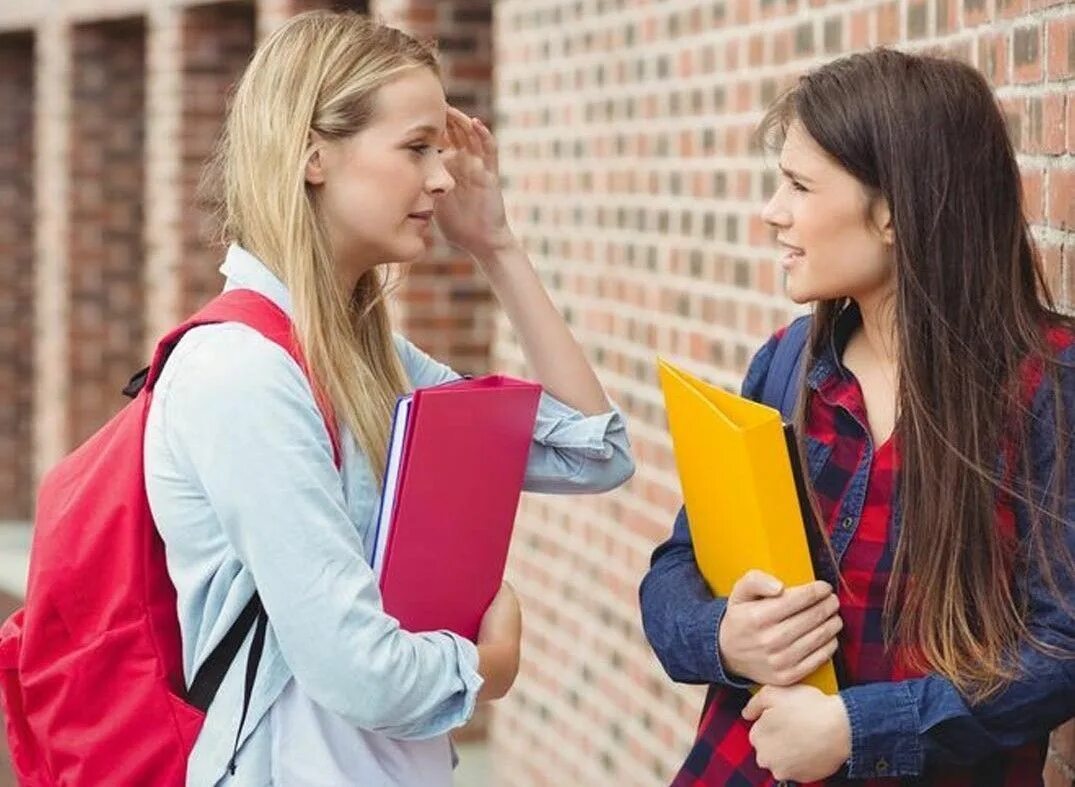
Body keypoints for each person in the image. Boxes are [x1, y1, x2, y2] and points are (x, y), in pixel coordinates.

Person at [144, 10, 634, 785]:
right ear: (312, 157)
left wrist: (496, 249)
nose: (442, 177)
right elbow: (357, 670)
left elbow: (592, 452)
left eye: (440, 150)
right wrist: (487, 663)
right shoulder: (243, 372)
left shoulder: (361, 352)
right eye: (415, 148)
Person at [640, 48, 1075, 785]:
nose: (771, 211)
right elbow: (679, 564)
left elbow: (1061, 644)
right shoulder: (784, 364)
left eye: (799, 185)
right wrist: (722, 634)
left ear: (894, 213)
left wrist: (855, 727)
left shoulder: (1047, 382)